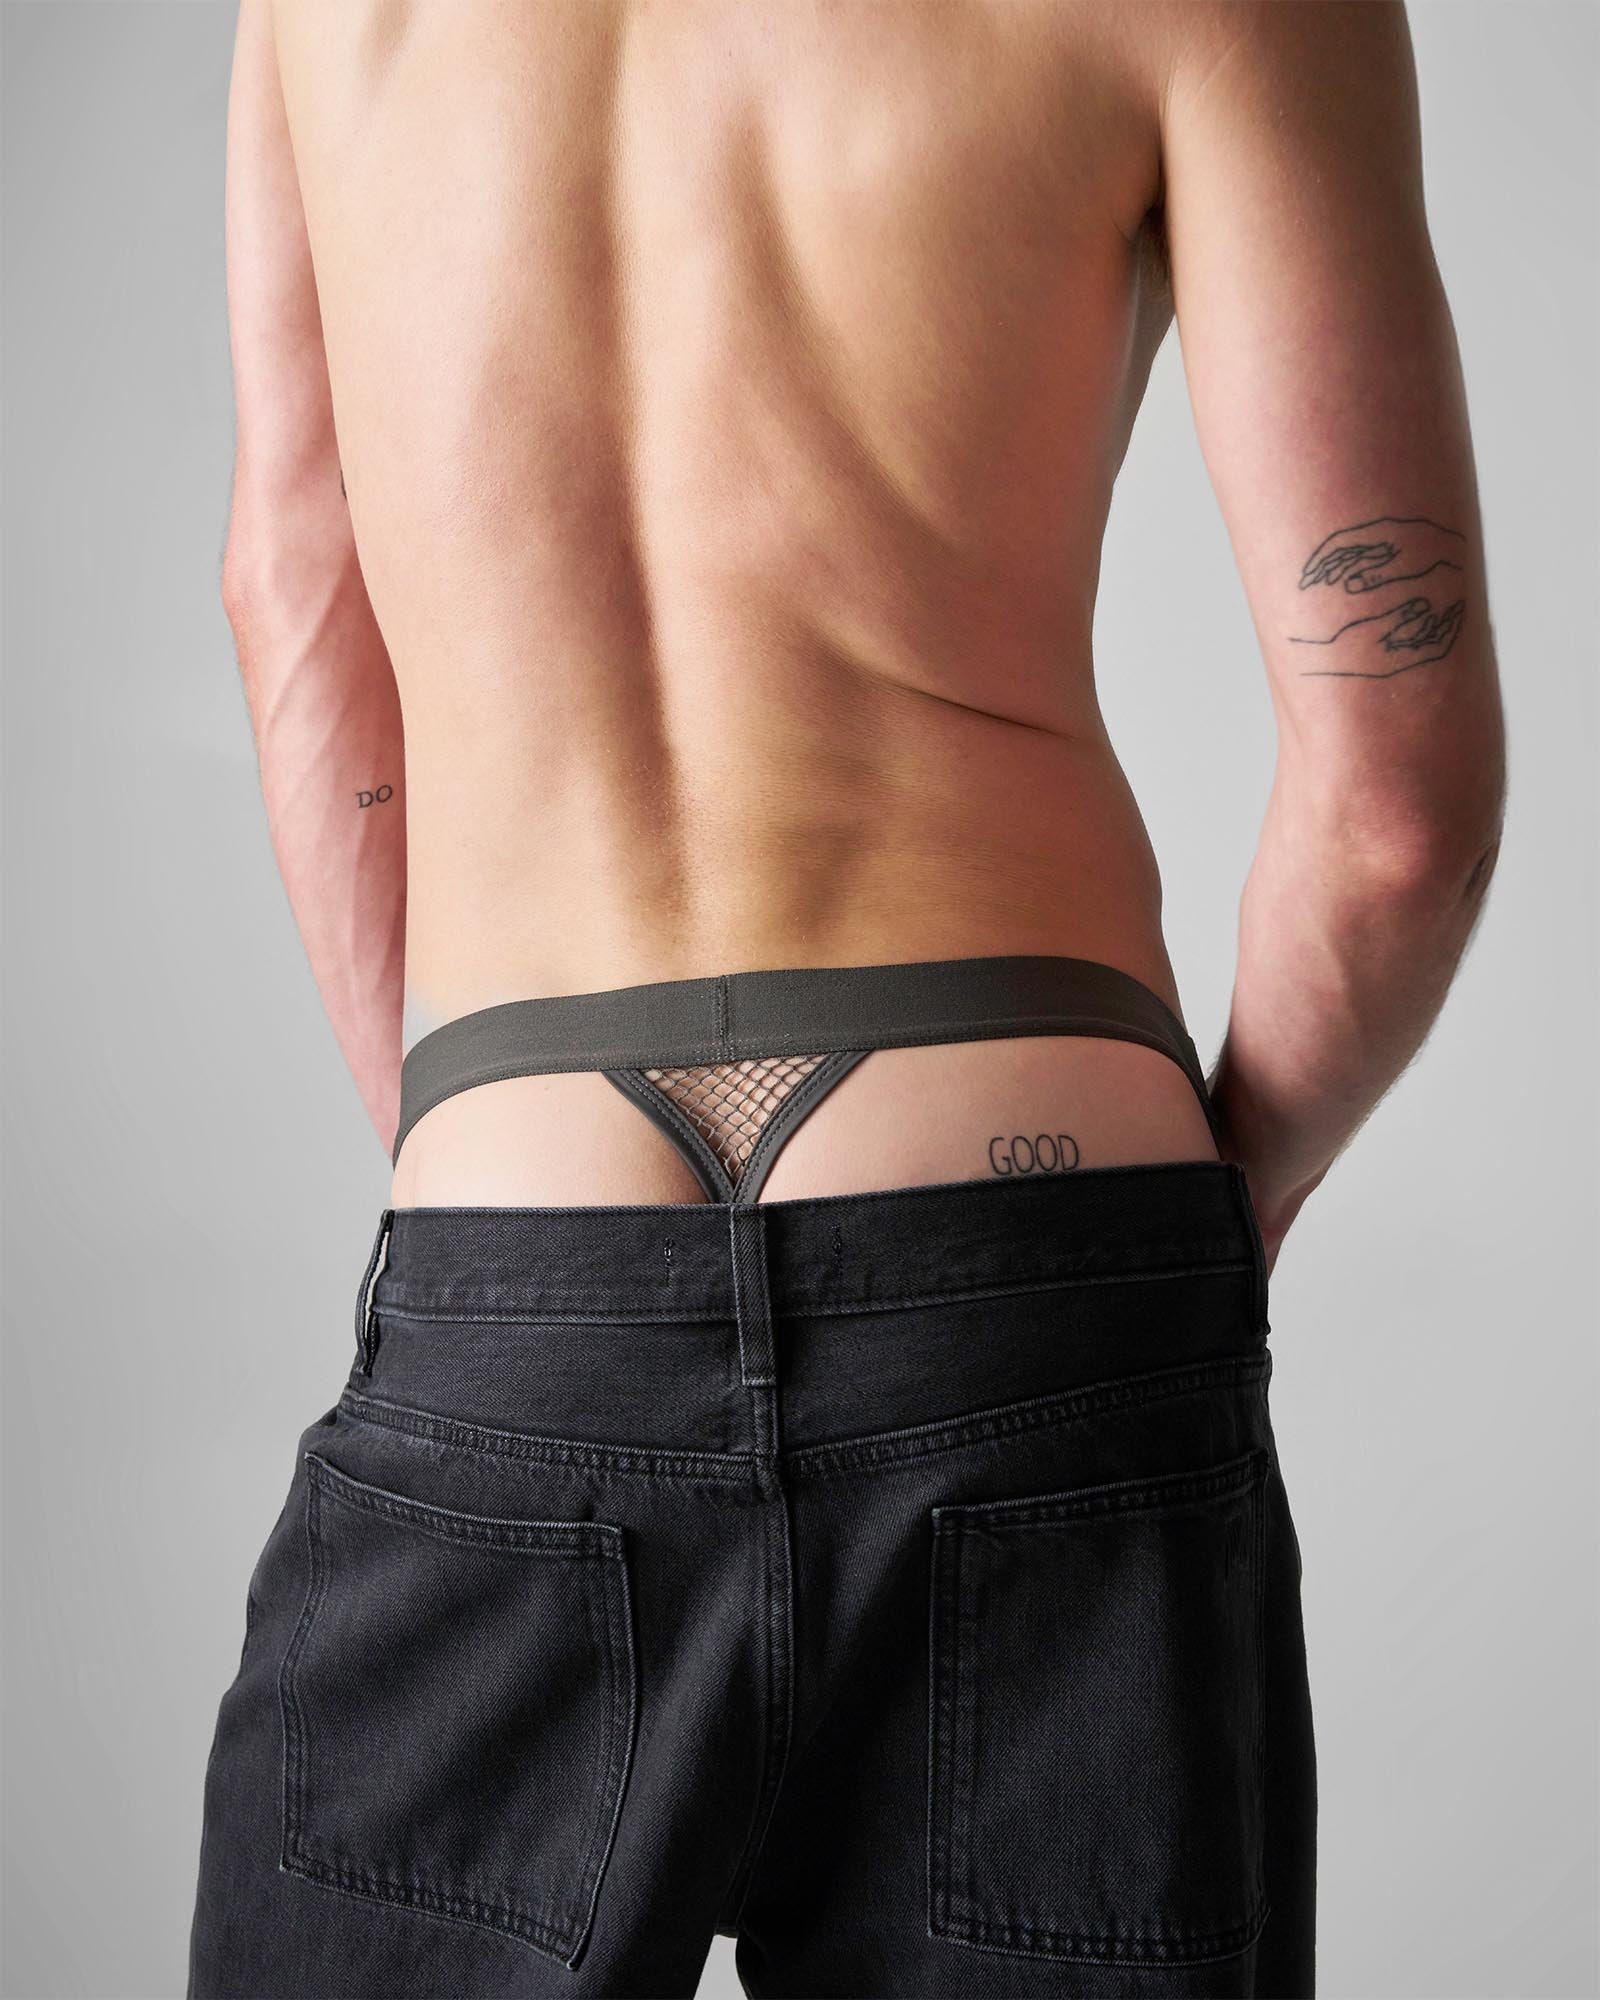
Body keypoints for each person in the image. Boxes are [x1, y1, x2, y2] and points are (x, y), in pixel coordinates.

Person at [187, 2, 1505, 1994]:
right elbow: (1395, 809)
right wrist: (1218, 1199)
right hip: (1035, 1247)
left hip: (521, 1243)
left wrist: (501, 1204)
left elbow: (294, 605)